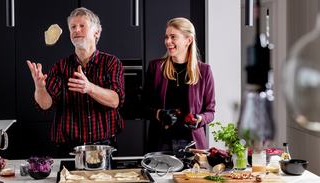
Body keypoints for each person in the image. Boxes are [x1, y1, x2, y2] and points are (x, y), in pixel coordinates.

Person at [27, 7, 125, 157]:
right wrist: (40, 88)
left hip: (104, 147)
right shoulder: (60, 67)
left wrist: (90, 88)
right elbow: (46, 106)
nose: (76, 30)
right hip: (68, 150)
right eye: (73, 27)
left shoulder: (111, 63)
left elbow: (115, 101)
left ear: (96, 32)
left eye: (82, 26)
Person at [142, 17, 215, 152]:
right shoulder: (155, 67)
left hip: (192, 145)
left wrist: (199, 119)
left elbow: (210, 111)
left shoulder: (204, 71)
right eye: (166, 37)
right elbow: (142, 107)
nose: (168, 41)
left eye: (173, 37)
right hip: (161, 143)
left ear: (189, 40)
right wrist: (159, 114)